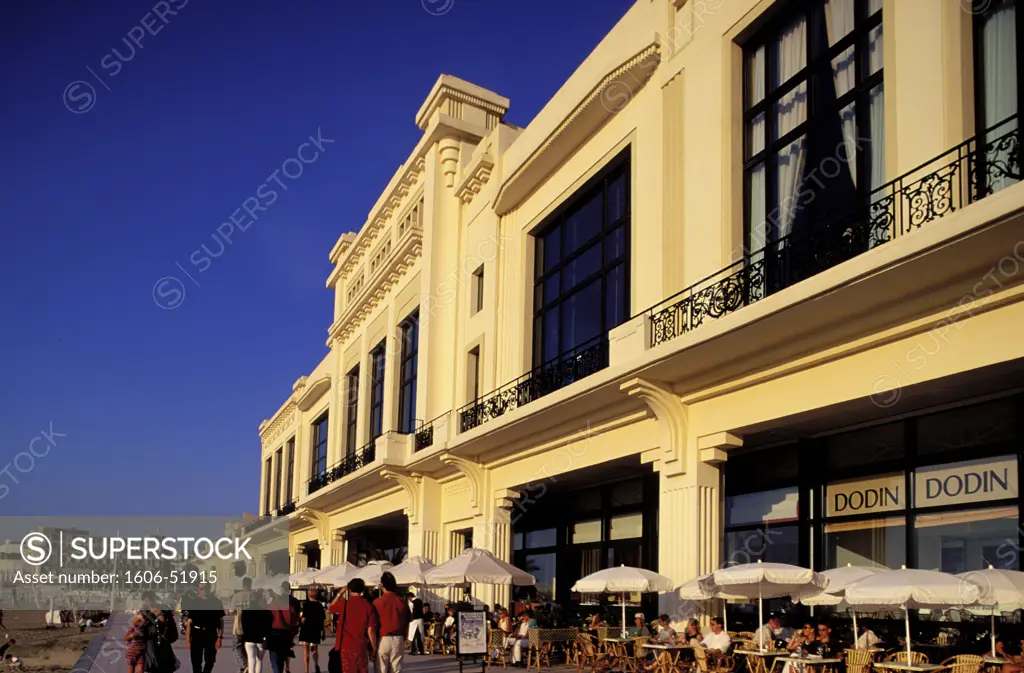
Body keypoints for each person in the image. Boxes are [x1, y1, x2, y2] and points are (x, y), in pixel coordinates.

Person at [329, 579, 379, 673]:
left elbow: (331, 608)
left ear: (350, 590)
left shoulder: (344, 603)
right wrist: (374, 647)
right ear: (362, 590)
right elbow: (370, 630)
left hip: (346, 646)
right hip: (361, 646)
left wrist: (340, 593)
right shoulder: (368, 605)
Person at [373, 572, 410, 673]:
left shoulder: (377, 602)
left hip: (383, 638)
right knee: (396, 669)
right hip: (398, 638)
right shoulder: (402, 601)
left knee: (381, 669)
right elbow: (407, 621)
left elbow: (373, 624)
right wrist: (406, 637)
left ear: (382, 585)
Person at [184, 584, 225, 673]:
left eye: (206, 588)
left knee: (210, 660)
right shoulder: (193, 603)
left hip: (210, 633)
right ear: (198, 590)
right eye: (202, 589)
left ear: (209, 588)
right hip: (196, 633)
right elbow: (189, 622)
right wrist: (187, 640)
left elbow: (221, 621)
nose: (204, 590)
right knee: (196, 662)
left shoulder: (216, 602)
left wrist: (219, 637)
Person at [267, 583, 300, 673]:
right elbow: (294, 622)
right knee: (281, 660)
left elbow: (266, 621)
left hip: (273, 634)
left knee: (274, 660)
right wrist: (293, 633)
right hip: (285, 635)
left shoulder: (271, 606)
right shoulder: (290, 607)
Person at [241, 591, 273, 673]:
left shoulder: (246, 611)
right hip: (261, 639)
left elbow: (243, 625)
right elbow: (269, 625)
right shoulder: (266, 612)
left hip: (249, 639)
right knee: (259, 660)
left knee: (251, 660)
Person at [300, 587, 326, 673]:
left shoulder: (306, 605)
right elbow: (323, 620)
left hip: (306, 629)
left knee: (306, 651)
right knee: (314, 649)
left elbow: (304, 619)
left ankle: (306, 670)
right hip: (316, 629)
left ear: (308, 595)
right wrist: (324, 632)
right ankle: (316, 665)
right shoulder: (320, 606)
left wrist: (299, 622)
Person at [231, 578, 254, 673]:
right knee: (250, 649)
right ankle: (249, 666)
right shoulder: (255, 596)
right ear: (250, 584)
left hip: (238, 627)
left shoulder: (236, 596)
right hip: (252, 628)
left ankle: (245, 665)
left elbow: (231, 611)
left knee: (237, 647)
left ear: (243, 585)